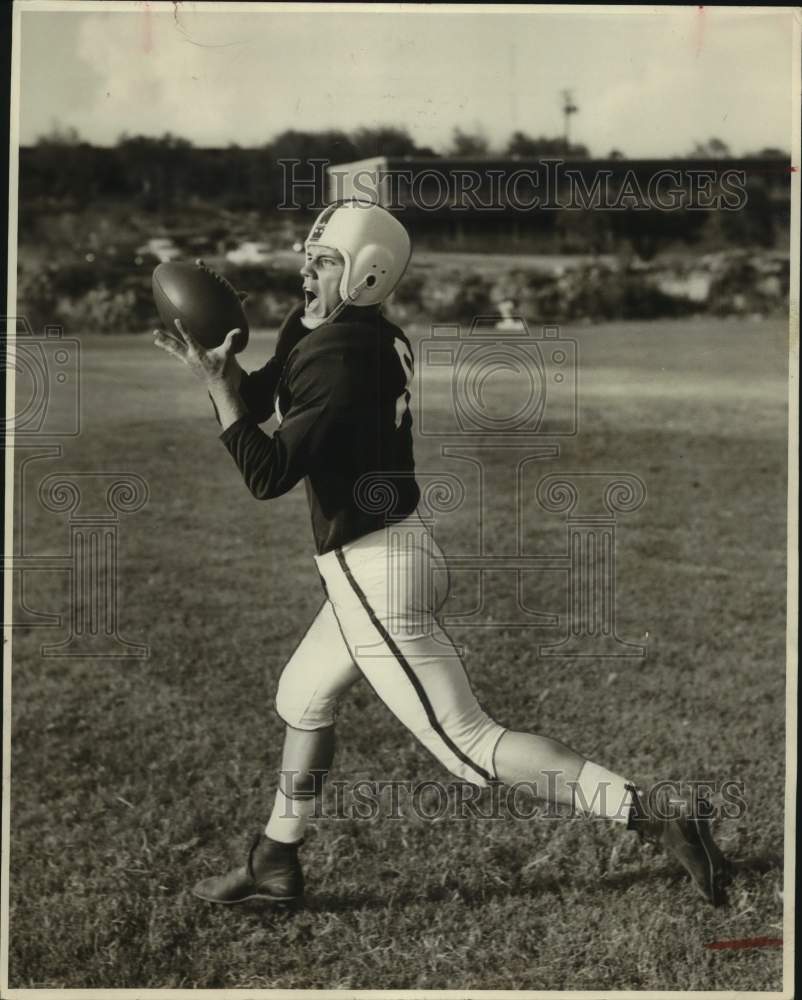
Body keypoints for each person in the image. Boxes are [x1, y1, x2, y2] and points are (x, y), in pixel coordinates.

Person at [153, 199, 732, 909]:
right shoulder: (363, 333)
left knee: (470, 747)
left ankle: (653, 814)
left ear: (366, 274)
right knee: (302, 697)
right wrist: (228, 369)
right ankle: (275, 862)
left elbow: (267, 473)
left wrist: (219, 390)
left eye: (325, 259)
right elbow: (272, 386)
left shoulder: (339, 355)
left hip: (373, 573)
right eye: (309, 252)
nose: (306, 266)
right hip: (395, 552)